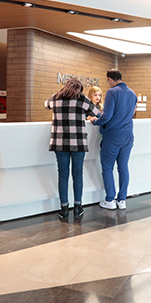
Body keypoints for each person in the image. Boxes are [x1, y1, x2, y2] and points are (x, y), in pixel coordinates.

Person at [44, 78, 100, 219]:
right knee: (77, 174)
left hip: (60, 143)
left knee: (63, 174)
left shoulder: (55, 97)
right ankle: (77, 207)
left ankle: (64, 208)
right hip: (78, 143)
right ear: (79, 89)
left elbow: (46, 105)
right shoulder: (82, 98)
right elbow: (96, 111)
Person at [91, 69, 137, 211]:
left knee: (107, 168)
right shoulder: (132, 93)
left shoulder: (112, 92)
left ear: (110, 79)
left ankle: (110, 200)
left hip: (113, 136)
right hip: (128, 136)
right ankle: (122, 200)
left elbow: (107, 116)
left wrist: (95, 121)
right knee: (123, 167)